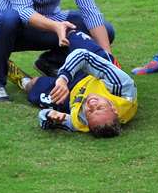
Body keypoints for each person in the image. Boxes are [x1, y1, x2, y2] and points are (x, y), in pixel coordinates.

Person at [8, 30, 136, 137]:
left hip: (76, 90)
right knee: (74, 37)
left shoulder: (81, 121)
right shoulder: (122, 86)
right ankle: (52, 62)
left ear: (87, 122)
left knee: (33, 87)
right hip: (96, 73)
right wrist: (63, 78)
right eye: (100, 107)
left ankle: (22, 79)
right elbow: (83, 56)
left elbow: (44, 118)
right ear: (114, 108)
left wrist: (50, 117)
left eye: (90, 112)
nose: (92, 105)